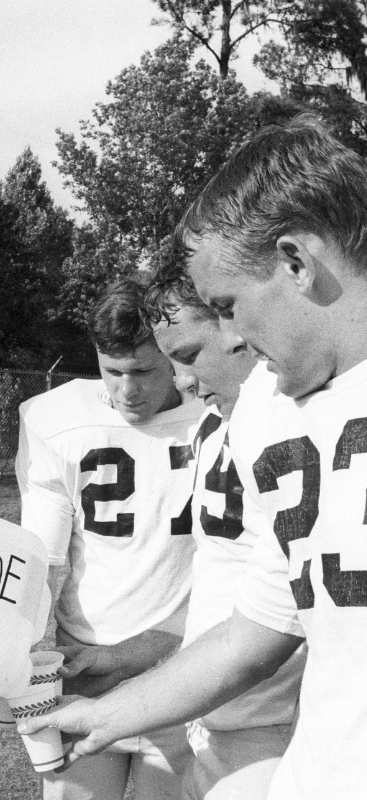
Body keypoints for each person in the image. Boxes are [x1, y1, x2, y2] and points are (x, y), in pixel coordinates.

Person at [18, 114, 367, 800]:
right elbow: (253, 631)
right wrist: (108, 713)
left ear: (298, 262)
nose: (231, 337)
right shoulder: (275, 412)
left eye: (229, 306)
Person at [15, 276, 204, 800]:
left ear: (173, 355)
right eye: (112, 370)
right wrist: (19, 652)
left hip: (182, 671)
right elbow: (43, 560)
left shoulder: (218, 414)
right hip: (84, 668)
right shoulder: (55, 419)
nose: (128, 390)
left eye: (143, 370)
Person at [142, 267, 306, 798]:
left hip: (272, 721)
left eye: (188, 355)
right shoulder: (211, 424)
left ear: (236, 323)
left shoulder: (291, 419)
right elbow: (221, 568)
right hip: (214, 711)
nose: (182, 381)